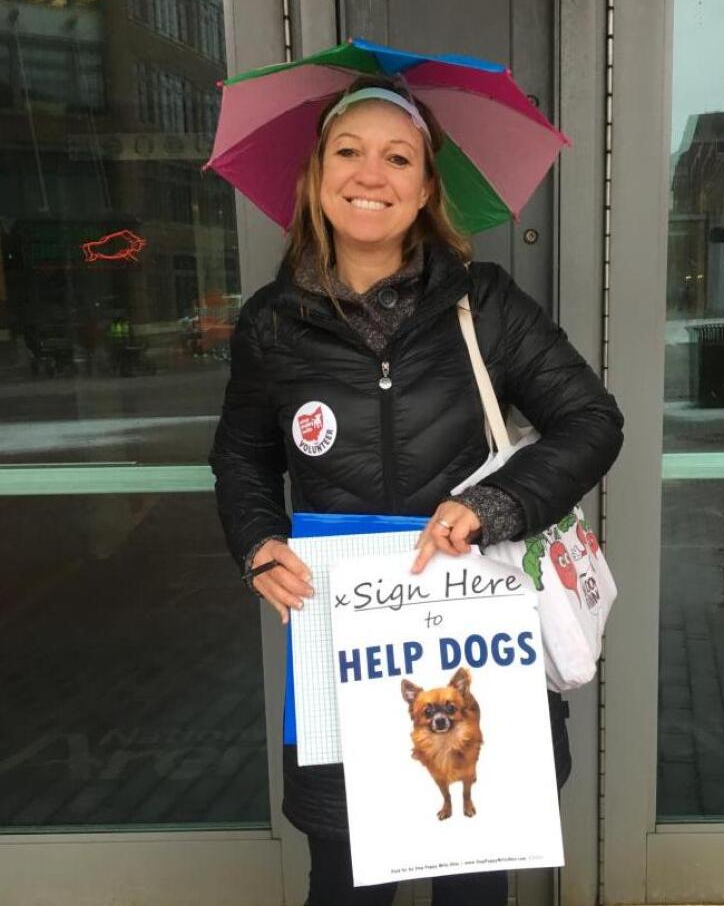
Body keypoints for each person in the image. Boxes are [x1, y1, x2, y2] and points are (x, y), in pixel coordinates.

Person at [210, 73, 624, 906]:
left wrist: (496, 504)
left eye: (398, 157)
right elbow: (243, 455)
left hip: (475, 618)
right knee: (348, 880)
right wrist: (259, 544)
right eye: (349, 152)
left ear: (427, 184)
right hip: (345, 630)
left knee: (472, 875)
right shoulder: (271, 323)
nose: (372, 176)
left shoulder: (486, 304)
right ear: (316, 174)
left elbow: (591, 421)